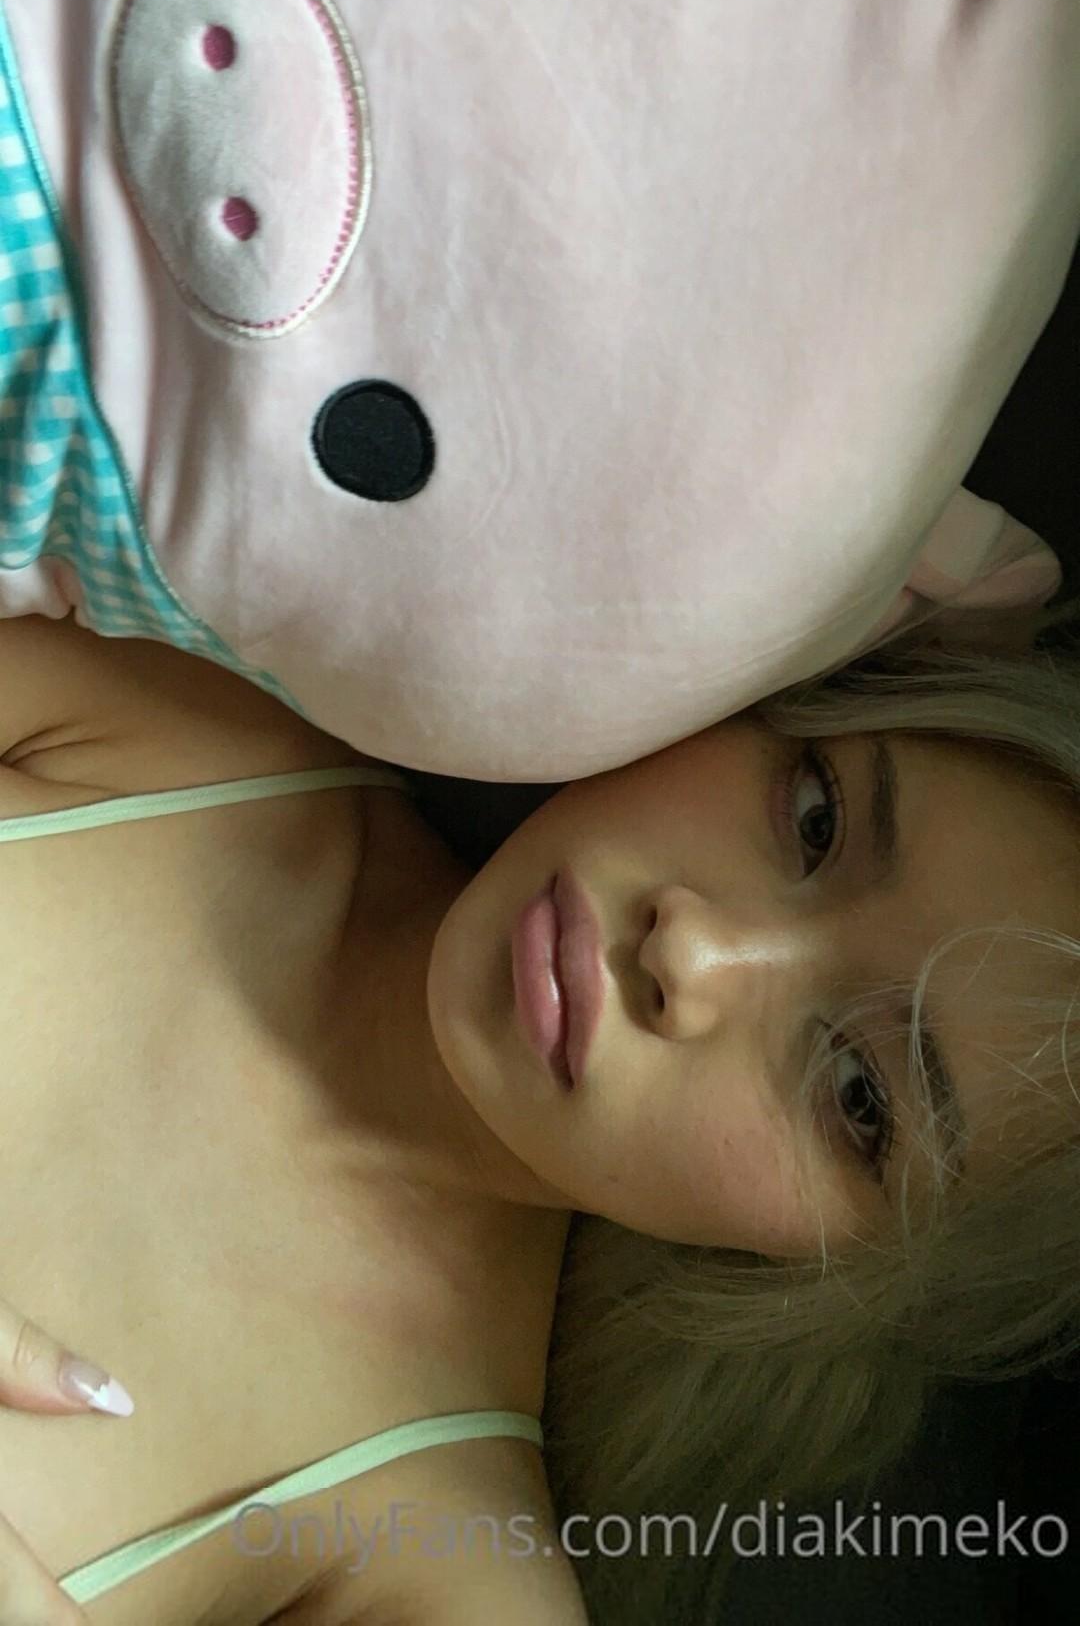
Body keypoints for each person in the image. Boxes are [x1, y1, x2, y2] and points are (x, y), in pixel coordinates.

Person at [1, 593, 1080, 1623]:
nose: (693, 951)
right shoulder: (181, 701)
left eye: (859, 1096)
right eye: (816, 817)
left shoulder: (436, 1581)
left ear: (858, 1273)